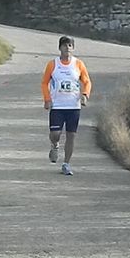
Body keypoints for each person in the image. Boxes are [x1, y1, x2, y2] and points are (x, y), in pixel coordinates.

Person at [41, 36, 92, 176]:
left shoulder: (79, 64)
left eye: (70, 45)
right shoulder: (53, 64)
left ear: (73, 48)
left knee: (71, 136)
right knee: (55, 134)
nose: (67, 48)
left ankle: (66, 164)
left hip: (73, 106)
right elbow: (44, 83)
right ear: (60, 48)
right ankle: (54, 145)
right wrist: (47, 99)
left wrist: (85, 95)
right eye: (64, 45)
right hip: (57, 105)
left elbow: (87, 82)